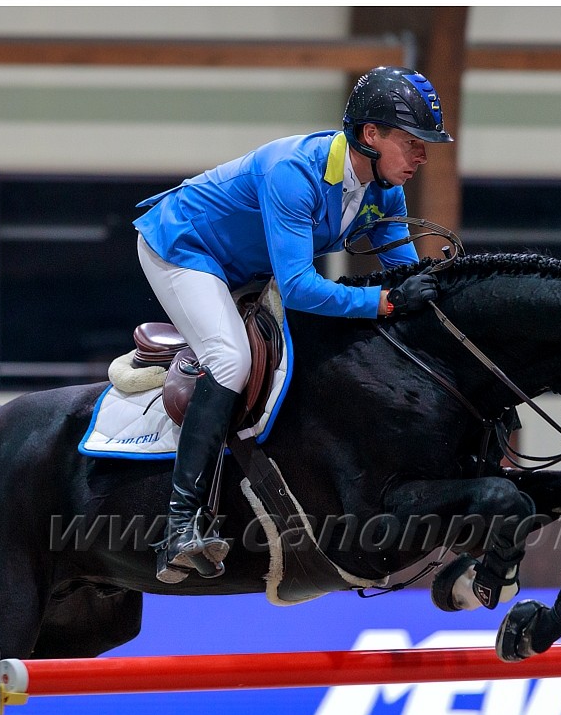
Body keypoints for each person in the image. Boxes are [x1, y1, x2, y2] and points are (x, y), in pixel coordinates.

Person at [133, 66, 454, 584]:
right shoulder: (293, 170)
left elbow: (409, 274)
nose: (423, 155)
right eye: (412, 141)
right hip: (183, 247)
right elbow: (303, 289)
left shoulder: (384, 190)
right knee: (229, 359)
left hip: (245, 265)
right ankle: (179, 524)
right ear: (370, 136)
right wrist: (386, 304)